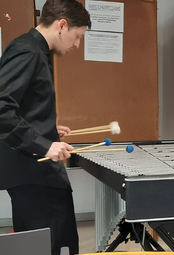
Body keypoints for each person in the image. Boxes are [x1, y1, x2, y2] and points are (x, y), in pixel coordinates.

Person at [0, 1, 91, 255]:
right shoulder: (28, 51)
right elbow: (1, 109)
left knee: (34, 247)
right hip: (34, 173)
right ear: (62, 25)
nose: (76, 45)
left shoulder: (34, 50)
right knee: (53, 246)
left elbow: (21, 107)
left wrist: (47, 128)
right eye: (77, 36)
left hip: (29, 171)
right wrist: (44, 144)